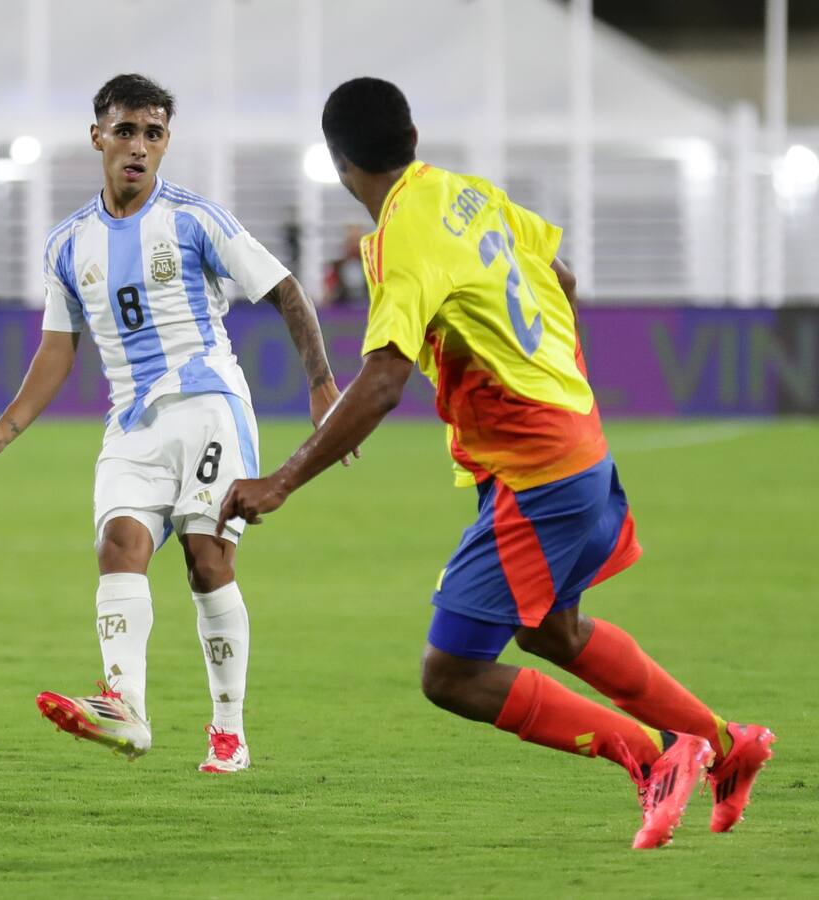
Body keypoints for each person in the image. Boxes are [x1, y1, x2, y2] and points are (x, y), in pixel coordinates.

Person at [217, 77, 773, 845]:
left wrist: (280, 482)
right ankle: (727, 742)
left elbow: (381, 381)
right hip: (576, 444)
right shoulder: (467, 192)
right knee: (554, 632)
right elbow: (562, 278)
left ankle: (656, 757)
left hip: (538, 471)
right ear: (413, 137)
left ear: (341, 166)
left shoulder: (399, 240)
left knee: (452, 672)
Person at [0, 73, 344, 774]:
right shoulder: (67, 244)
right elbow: (59, 347)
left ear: (165, 142)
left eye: (153, 133)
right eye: (125, 131)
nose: (139, 146)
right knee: (118, 546)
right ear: (98, 137)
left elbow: (285, 289)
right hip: (133, 424)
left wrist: (322, 381)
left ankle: (229, 732)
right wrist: (5, 430)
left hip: (210, 407)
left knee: (206, 560)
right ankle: (127, 712)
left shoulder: (196, 220)